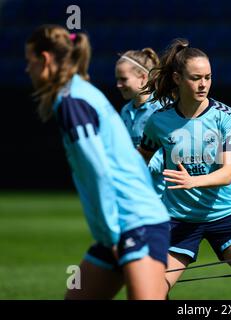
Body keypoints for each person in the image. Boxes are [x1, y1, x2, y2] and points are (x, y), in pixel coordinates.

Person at [25, 24, 170, 300]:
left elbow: (99, 173)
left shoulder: (72, 102)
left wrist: (112, 234)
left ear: (45, 60)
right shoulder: (77, 94)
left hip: (134, 223)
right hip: (119, 227)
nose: (26, 69)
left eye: (29, 61)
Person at [139, 38, 231, 300]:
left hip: (225, 214)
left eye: (208, 77)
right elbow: (141, 159)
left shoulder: (226, 116)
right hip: (178, 218)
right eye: (196, 78)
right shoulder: (158, 121)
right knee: (150, 293)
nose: (203, 84)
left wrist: (193, 181)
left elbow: (228, 173)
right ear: (178, 78)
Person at [115, 49, 165, 197]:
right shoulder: (125, 110)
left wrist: (137, 164)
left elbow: (170, 153)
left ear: (143, 78)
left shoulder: (163, 109)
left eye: (123, 79)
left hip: (162, 197)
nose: (118, 85)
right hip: (136, 194)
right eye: (117, 79)